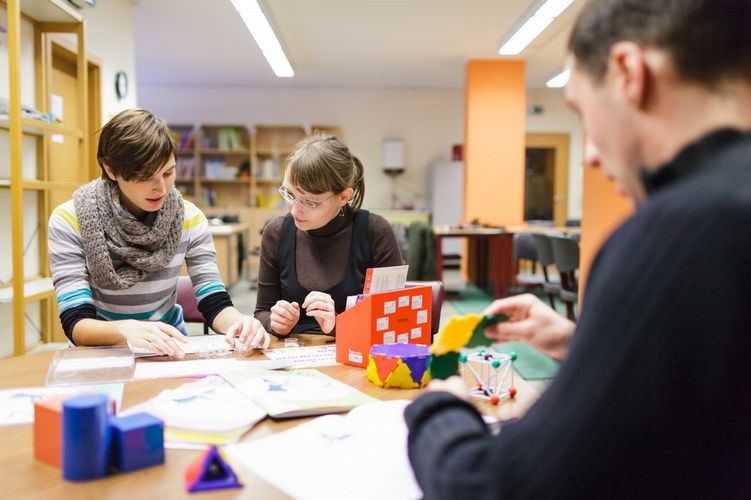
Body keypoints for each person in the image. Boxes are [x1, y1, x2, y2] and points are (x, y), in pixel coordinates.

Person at [406, 0, 751, 498]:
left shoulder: (681, 228)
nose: (589, 152)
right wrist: (584, 342)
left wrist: (439, 407)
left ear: (628, 72)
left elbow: (500, 488)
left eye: (582, 112)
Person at [49, 109, 269, 356]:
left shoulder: (188, 218)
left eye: (168, 172)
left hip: (167, 349)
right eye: (145, 177)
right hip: (100, 353)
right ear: (110, 170)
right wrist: (126, 331)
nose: (161, 188)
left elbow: (213, 299)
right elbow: (75, 322)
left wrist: (240, 323)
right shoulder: (70, 220)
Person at [254, 133, 402, 336]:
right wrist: (275, 323)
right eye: (289, 194)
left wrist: (337, 324)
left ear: (344, 196)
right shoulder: (276, 233)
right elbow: (262, 311)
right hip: (292, 357)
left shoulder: (375, 232)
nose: (295, 210)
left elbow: (393, 321)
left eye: (310, 202)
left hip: (354, 356)